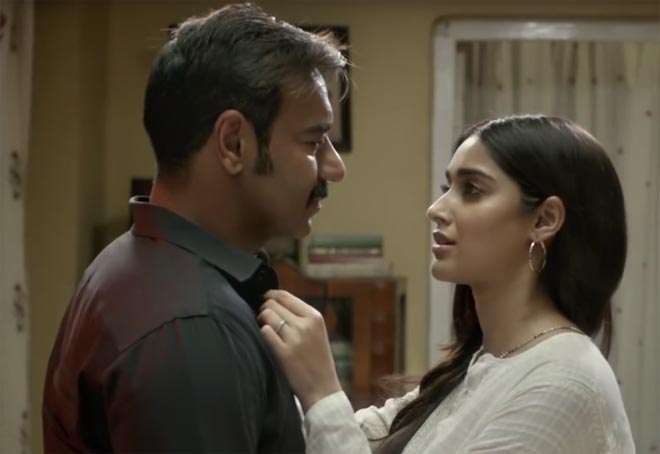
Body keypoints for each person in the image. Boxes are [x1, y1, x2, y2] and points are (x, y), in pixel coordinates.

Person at [42, 3, 347, 452]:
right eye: (313, 142)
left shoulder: (137, 264)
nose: (334, 168)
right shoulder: (194, 329)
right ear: (234, 143)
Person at [258, 115, 635, 453]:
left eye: (472, 190)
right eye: (447, 186)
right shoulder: (482, 365)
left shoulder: (564, 382)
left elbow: (333, 427)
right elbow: (347, 436)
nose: (436, 209)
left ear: (544, 219)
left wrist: (322, 390)